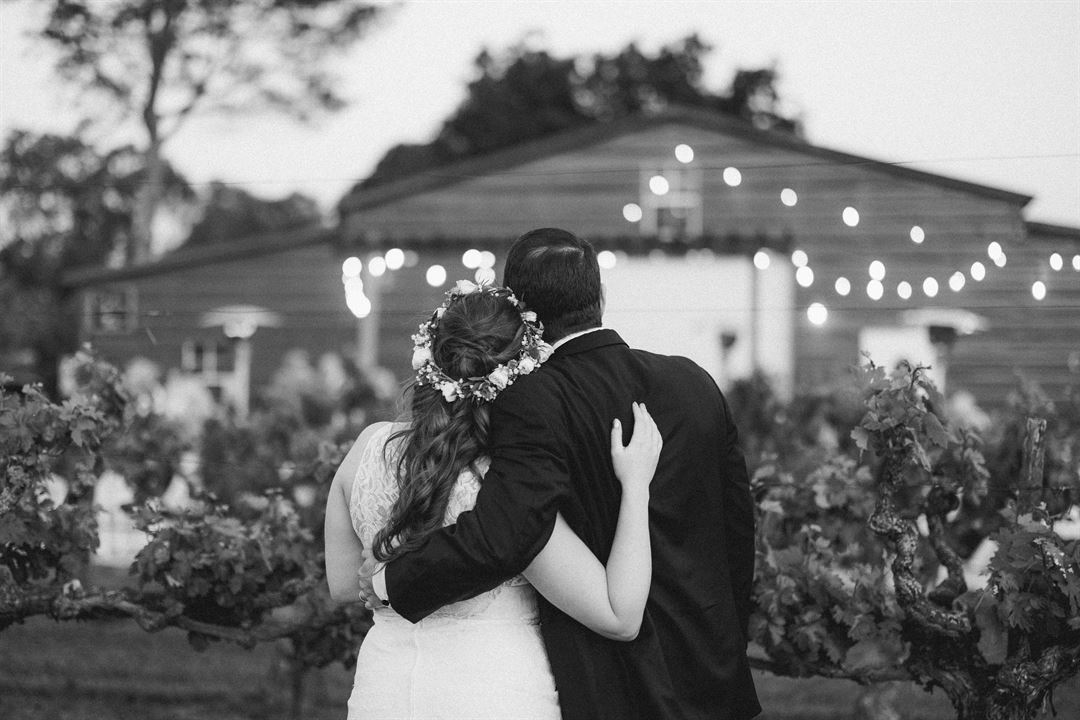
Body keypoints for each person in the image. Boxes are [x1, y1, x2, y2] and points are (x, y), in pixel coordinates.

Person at [364, 228, 762, 720]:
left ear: (520, 311)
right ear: (599, 295)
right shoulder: (693, 382)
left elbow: (506, 532)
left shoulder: (532, 400)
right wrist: (729, 641)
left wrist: (392, 580)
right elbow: (738, 527)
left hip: (617, 685)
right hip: (714, 673)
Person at [324, 280, 664, 719]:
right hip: (493, 693)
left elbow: (342, 585)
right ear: (523, 373)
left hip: (384, 692)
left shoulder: (367, 448)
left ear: (431, 359)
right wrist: (636, 486)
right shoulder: (507, 490)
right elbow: (619, 616)